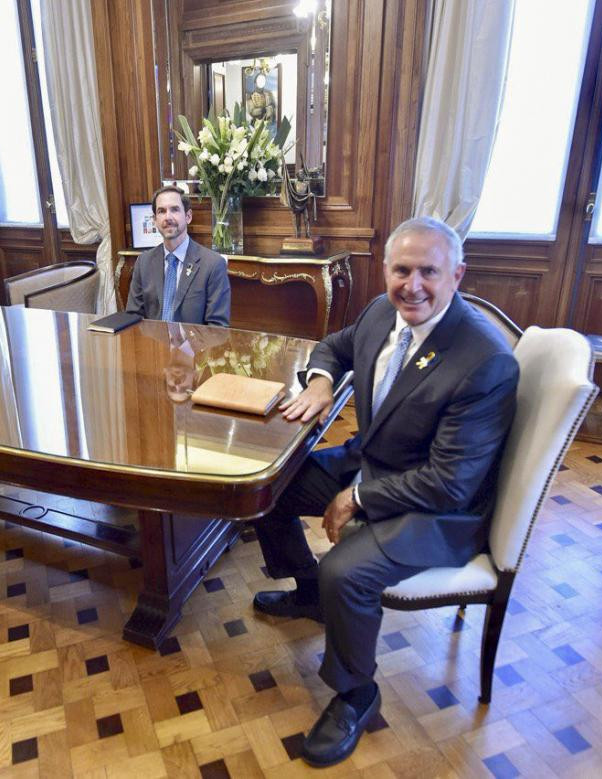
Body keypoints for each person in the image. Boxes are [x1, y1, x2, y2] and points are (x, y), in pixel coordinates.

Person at [250, 216, 519, 767]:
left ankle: (356, 694)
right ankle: (309, 594)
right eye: (402, 269)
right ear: (386, 270)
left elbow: (452, 482)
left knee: (345, 572)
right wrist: (323, 382)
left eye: (429, 272)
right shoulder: (380, 312)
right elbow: (333, 346)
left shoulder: (483, 361)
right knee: (265, 481)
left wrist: (360, 498)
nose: (412, 285)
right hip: (372, 463)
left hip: (439, 511)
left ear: (457, 275)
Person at [126, 186, 231, 327]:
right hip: (151, 347)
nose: (168, 217)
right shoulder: (144, 262)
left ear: (188, 216)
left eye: (174, 209)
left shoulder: (213, 264)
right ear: (155, 220)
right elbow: (133, 318)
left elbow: (217, 327)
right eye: (161, 211)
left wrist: (185, 348)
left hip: (195, 348)